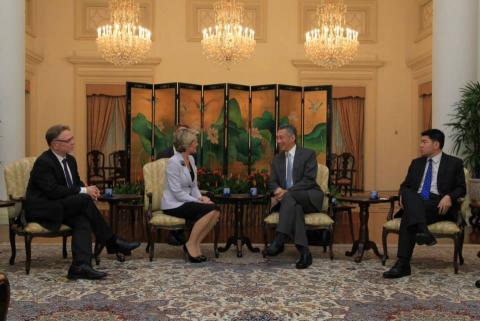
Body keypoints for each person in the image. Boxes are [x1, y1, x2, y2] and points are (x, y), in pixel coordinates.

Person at [25, 125, 140, 280]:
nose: (73, 142)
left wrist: (84, 187)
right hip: (44, 208)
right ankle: (112, 241)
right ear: (55, 144)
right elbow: (52, 191)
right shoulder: (44, 162)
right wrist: (84, 191)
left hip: (62, 206)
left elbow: (75, 183)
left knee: (82, 219)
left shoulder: (70, 160)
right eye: (68, 140)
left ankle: (80, 266)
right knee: (84, 200)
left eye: (72, 138)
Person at [383, 129, 466, 278]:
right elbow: (405, 185)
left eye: (424, 142)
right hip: (418, 202)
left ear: (436, 144)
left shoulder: (454, 163)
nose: (420, 145)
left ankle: (402, 265)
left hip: (439, 205)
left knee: (409, 213)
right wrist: (402, 194)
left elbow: (461, 188)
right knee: (408, 194)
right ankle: (422, 231)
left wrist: (449, 196)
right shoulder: (416, 163)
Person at [264, 124, 324, 269]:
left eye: (281, 137)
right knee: (295, 207)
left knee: (290, 197)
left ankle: (279, 240)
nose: (278, 141)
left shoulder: (308, 154)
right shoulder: (277, 159)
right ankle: (305, 253)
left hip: (309, 197)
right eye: (277, 138)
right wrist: (278, 189)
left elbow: (308, 180)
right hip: (290, 203)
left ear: (292, 138)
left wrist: (286, 191)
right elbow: (271, 182)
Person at [161, 127, 220, 263]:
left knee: (216, 210)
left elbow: (193, 185)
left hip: (186, 201)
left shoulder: (191, 160)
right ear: (187, 145)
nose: (197, 144)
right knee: (211, 209)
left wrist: (200, 198)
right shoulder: (173, 162)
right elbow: (176, 193)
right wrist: (198, 201)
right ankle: (190, 245)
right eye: (195, 142)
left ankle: (194, 243)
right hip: (173, 204)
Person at [157, 124, 191, 246]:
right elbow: (159, 180)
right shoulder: (163, 154)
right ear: (174, 135)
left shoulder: (192, 155)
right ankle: (175, 233)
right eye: (180, 133)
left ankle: (188, 237)